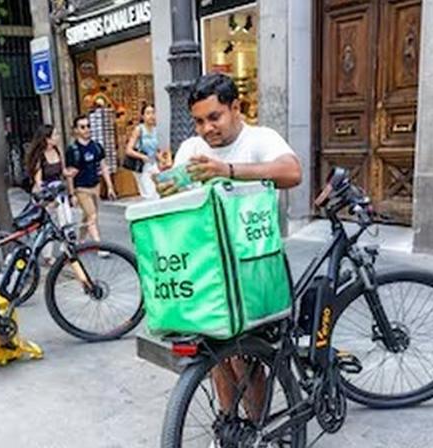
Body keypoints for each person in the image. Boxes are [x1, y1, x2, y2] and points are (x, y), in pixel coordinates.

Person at [155, 73, 302, 421]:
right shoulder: (191, 148)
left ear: (236, 108)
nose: (206, 128)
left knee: (245, 358)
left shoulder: (260, 138)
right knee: (214, 354)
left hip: (252, 268)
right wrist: (166, 183)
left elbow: (292, 172)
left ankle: (258, 425)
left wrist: (228, 170)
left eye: (214, 117)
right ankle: (230, 424)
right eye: (199, 121)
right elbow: (177, 198)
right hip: (205, 271)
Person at [65, 115, 117, 247]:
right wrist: (72, 194)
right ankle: (98, 245)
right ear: (76, 130)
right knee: (92, 215)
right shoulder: (73, 150)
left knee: (87, 215)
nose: (87, 129)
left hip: (95, 186)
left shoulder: (97, 146)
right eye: (82, 127)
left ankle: (80, 241)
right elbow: (70, 174)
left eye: (88, 126)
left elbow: (103, 167)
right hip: (81, 188)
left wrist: (110, 186)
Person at [26, 124, 73, 265]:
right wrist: (45, 196)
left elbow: (63, 171)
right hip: (47, 195)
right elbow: (38, 180)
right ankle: (47, 255)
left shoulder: (57, 151)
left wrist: (70, 174)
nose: (58, 137)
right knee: (48, 224)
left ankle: (67, 250)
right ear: (47, 139)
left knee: (67, 221)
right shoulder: (40, 156)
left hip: (59, 192)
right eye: (55, 135)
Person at [124, 104, 168, 200]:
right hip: (142, 166)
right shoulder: (139, 129)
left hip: (153, 164)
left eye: (153, 113)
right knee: (149, 193)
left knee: (159, 190)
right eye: (148, 113)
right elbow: (128, 150)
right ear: (143, 116)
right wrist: (142, 156)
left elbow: (154, 150)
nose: (151, 116)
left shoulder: (155, 130)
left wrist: (160, 158)